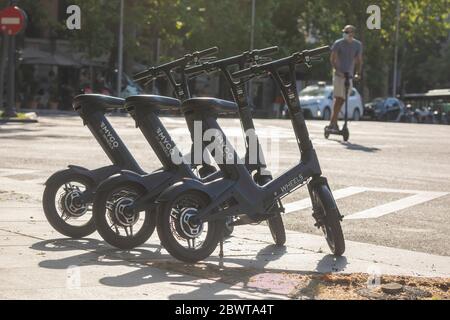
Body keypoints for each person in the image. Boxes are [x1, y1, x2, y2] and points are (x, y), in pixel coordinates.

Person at [328, 25, 363, 130]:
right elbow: (332, 59)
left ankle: (333, 122)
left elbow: (359, 60)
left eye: (348, 32)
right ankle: (333, 122)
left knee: (343, 99)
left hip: (349, 76)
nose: (346, 34)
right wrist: (337, 70)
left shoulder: (357, 45)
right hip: (339, 75)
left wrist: (358, 73)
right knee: (338, 98)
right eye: (345, 32)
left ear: (353, 33)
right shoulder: (338, 43)